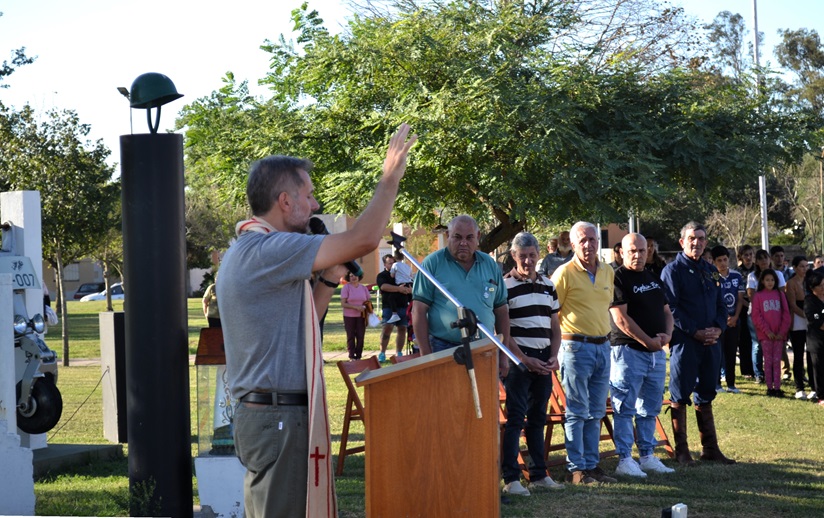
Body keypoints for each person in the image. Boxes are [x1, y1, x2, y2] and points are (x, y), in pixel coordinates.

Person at [218, 124, 416, 518]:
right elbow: (364, 239)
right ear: (285, 201)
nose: (315, 204)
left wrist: (328, 277)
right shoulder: (267, 249)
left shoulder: (258, 250)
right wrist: (390, 177)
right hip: (276, 416)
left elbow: (307, 316)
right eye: (308, 196)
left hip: (275, 414)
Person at [661, 221, 735, 466]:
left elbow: (722, 304)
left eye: (701, 238)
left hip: (712, 342)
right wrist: (695, 331)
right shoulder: (672, 271)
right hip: (686, 342)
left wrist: (718, 328)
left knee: (706, 393)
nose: (697, 243)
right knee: (680, 393)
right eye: (692, 238)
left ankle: (710, 449)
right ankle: (682, 451)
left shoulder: (711, 269)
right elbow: (671, 307)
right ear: (682, 242)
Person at [550, 221, 616, 485]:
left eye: (592, 239)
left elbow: (606, 306)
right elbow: (551, 314)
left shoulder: (608, 272)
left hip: (603, 346)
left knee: (597, 410)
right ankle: (577, 469)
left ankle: (592, 465)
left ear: (598, 242)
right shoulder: (563, 273)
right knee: (577, 411)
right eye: (582, 241)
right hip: (575, 347)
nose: (588, 244)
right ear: (573, 245)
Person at [501, 232, 564, 496]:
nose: (527, 261)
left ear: (539, 255)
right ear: (514, 256)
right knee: (515, 418)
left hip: (544, 357)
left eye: (531, 255)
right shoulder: (505, 286)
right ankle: (511, 479)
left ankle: (539, 474)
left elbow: (555, 325)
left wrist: (554, 354)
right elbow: (503, 331)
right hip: (518, 360)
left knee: (538, 417)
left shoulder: (549, 285)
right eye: (522, 256)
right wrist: (523, 359)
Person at [609, 233, 676, 478]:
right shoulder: (617, 277)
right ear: (622, 252)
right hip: (628, 351)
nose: (638, 255)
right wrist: (647, 341)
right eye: (632, 251)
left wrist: (667, 336)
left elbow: (667, 311)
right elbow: (620, 318)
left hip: (656, 353)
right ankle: (625, 459)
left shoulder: (653, 277)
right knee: (625, 407)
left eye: (642, 250)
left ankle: (647, 455)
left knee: (650, 407)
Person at [411, 215, 510, 359]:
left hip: (485, 347)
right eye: (457, 237)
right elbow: (418, 311)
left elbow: (501, 311)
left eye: (469, 238)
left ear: (478, 237)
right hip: (443, 348)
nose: (463, 243)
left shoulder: (490, 265)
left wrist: (504, 355)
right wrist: (426, 356)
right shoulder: (432, 264)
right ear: (447, 235)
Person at [746, 249, 786, 384]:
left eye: (766, 258)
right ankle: (759, 373)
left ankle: (778, 374)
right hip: (757, 316)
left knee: (777, 344)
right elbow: (751, 295)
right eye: (760, 259)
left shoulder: (778, 274)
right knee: (757, 345)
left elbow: (781, 295)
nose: (763, 261)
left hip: (775, 314)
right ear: (756, 262)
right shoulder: (752, 276)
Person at [751, 269, 791, 397]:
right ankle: (770, 387)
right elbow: (756, 316)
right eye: (767, 280)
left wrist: (782, 331)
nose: (770, 282)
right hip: (766, 335)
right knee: (768, 361)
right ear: (762, 281)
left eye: (772, 280)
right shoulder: (758, 296)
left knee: (777, 360)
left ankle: (777, 387)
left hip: (779, 335)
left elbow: (786, 314)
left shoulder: (780, 295)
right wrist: (767, 331)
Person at [711, 245, 743, 393]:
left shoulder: (736, 276)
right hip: (718, 322)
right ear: (714, 262)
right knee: (718, 352)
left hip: (734, 320)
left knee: (731, 352)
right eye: (719, 260)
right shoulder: (713, 276)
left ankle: (731, 384)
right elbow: (713, 300)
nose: (723, 263)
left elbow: (740, 298)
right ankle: (717, 384)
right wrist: (722, 319)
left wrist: (735, 317)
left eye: (725, 259)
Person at [786, 256, 814, 400]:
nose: (805, 269)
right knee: (798, 355)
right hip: (798, 321)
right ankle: (799, 387)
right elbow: (792, 304)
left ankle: (814, 386)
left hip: (811, 321)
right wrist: (806, 315)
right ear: (795, 267)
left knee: (811, 354)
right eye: (802, 266)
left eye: (806, 266)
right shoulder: (791, 283)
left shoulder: (811, 282)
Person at [376, 254, 411, 362]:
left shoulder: (401, 273)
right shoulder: (382, 275)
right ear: (385, 264)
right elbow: (384, 287)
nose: (392, 265)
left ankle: (399, 352)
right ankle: (382, 353)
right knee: (387, 328)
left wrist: (409, 290)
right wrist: (398, 289)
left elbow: (409, 285)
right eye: (390, 263)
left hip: (403, 305)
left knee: (402, 328)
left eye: (393, 262)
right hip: (389, 307)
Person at [735, 245, 756, 379]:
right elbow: (739, 295)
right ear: (740, 257)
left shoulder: (757, 270)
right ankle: (747, 370)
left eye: (750, 254)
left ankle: (757, 368)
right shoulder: (737, 273)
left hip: (758, 306)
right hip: (742, 306)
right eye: (745, 255)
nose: (748, 257)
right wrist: (748, 305)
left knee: (757, 340)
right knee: (745, 340)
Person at [803, 272, 824, 405]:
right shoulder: (809, 301)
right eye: (820, 286)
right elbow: (817, 322)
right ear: (812, 287)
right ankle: (821, 395)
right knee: (819, 369)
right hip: (817, 342)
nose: (823, 288)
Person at [340, 271, 371, 360]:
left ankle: (358, 356)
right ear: (348, 278)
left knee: (361, 336)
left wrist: (366, 309)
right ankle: (351, 355)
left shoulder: (363, 288)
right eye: (351, 276)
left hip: (362, 316)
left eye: (355, 275)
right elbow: (343, 303)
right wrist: (355, 307)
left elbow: (368, 301)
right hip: (349, 316)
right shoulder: (346, 288)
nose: (354, 277)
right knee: (350, 336)